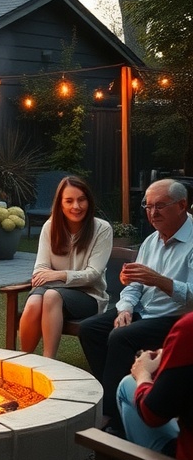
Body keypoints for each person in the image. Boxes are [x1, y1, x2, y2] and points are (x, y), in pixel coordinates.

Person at [72, 310, 193, 460]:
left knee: (129, 385)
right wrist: (169, 357)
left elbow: (153, 413)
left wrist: (144, 375)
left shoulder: (189, 330)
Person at [78, 178, 193, 436]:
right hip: (143, 311)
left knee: (121, 337)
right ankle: (118, 396)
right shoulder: (152, 241)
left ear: (182, 205)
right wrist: (125, 309)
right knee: (90, 329)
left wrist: (159, 280)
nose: (153, 213)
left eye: (160, 206)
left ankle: (113, 418)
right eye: (148, 206)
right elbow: (133, 284)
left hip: (175, 318)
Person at [19, 176, 113, 359]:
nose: (76, 206)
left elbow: (93, 274)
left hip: (88, 295)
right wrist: (53, 278)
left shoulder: (102, 229)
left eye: (81, 200)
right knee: (33, 303)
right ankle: (23, 360)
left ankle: (48, 362)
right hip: (52, 289)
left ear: (89, 201)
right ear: (60, 204)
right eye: (69, 201)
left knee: (51, 296)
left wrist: (59, 275)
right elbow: (40, 270)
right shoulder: (50, 227)